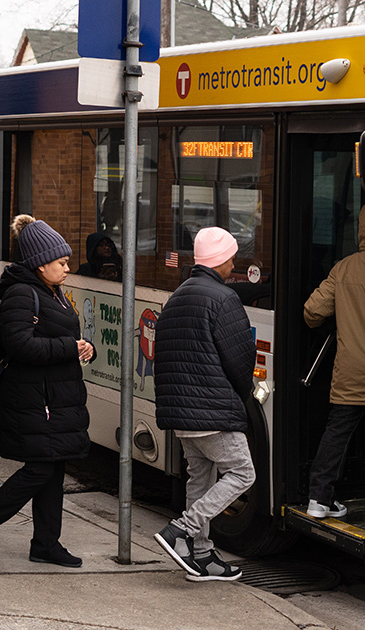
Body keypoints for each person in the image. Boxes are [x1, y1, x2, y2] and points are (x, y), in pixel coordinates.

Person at [0, 216, 93, 569]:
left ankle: (46, 543)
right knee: (40, 469)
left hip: (53, 397)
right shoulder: (22, 293)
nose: (67, 268)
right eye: (62, 263)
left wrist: (84, 347)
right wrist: (68, 347)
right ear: (40, 263)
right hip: (34, 399)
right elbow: (19, 345)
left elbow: (59, 336)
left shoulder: (53, 292)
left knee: (52, 469)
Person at [152, 226, 256, 582]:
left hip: (181, 411)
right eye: (231, 258)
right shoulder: (223, 299)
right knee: (243, 472)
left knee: (200, 477)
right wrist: (242, 397)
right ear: (222, 260)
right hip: (212, 410)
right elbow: (240, 358)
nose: (233, 264)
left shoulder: (178, 296)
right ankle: (181, 529)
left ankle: (202, 556)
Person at [302, 201, 365, 519]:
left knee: (338, 432)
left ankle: (319, 499)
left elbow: (311, 313)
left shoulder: (343, 268)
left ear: (361, 230)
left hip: (351, 370)